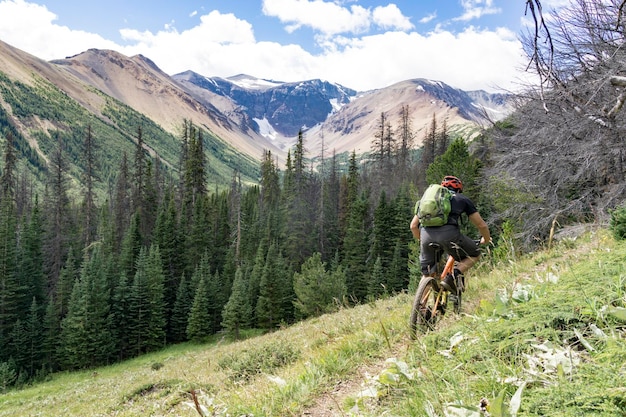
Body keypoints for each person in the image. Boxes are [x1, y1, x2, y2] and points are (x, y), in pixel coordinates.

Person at [410, 175, 491, 292]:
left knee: (427, 273)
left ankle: (420, 307)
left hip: (426, 235)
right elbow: (481, 225)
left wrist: (421, 240)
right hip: (449, 236)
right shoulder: (462, 199)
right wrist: (486, 239)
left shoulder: (429, 202)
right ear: (459, 189)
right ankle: (453, 276)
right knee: (474, 254)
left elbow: (413, 226)